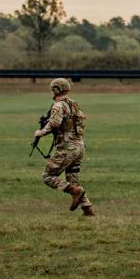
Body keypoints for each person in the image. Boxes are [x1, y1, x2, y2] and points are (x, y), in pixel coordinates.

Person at [36, 77, 95, 216]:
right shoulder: (74, 104)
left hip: (67, 148)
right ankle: (88, 210)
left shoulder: (58, 105)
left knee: (48, 176)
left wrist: (41, 132)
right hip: (79, 146)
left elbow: (55, 123)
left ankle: (75, 191)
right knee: (72, 178)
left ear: (56, 90)